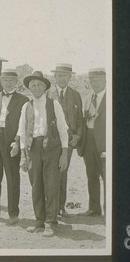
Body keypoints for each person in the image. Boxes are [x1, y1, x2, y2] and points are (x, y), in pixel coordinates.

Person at [18, 71, 69, 236]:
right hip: (33, 149)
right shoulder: (26, 106)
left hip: (52, 149)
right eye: (33, 85)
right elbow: (22, 132)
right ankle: (39, 220)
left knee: (52, 185)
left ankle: (50, 223)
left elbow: (63, 130)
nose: (36, 87)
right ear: (29, 88)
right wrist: (23, 155)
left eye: (39, 84)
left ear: (45, 87)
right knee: (36, 186)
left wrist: (64, 153)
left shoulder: (54, 104)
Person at [0, 69, 28, 225]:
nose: (8, 83)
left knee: (12, 177)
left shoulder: (23, 100)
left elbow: (25, 125)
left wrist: (17, 141)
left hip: (11, 140)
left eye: (11, 80)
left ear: (16, 82)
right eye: (5, 80)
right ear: (0, 81)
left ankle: (13, 214)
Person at [47, 63, 84, 218]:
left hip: (68, 142)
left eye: (65, 76)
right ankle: (51, 208)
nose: (62, 78)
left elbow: (80, 119)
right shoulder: (48, 93)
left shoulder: (75, 95)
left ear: (70, 77)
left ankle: (61, 207)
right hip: (51, 141)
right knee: (50, 174)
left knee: (63, 172)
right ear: (54, 77)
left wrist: (77, 136)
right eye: (59, 75)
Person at [78, 68, 106, 216]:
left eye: (98, 80)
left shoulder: (113, 97)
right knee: (91, 175)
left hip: (104, 142)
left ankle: (109, 211)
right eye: (92, 80)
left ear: (105, 80)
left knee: (107, 176)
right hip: (88, 140)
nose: (94, 83)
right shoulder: (88, 98)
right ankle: (94, 208)